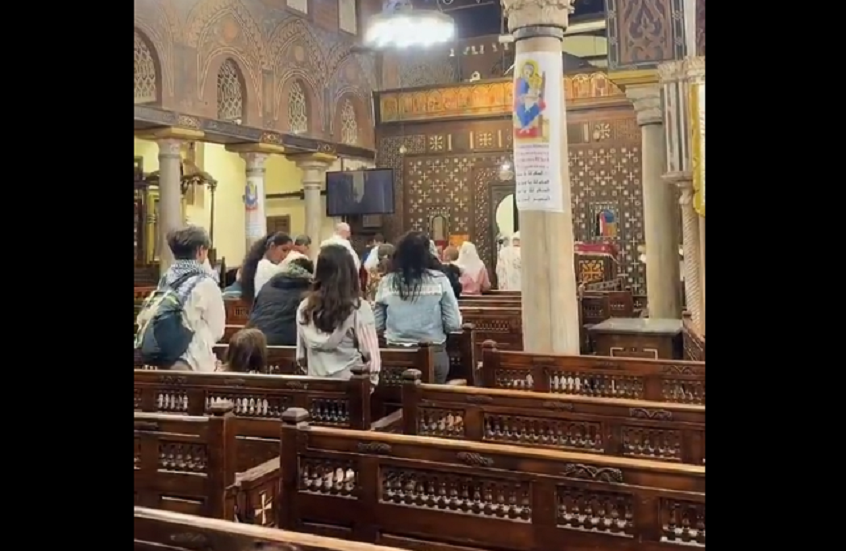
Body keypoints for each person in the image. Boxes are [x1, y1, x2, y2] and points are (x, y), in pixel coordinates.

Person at [374, 231, 462, 383]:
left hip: (395, 358)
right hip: (432, 354)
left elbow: (377, 325)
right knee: (432, 393)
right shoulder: (439, 280)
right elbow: (453, 324)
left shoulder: (387, 282)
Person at [297, 244, 381, 387]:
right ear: (350, 273)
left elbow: (301, 357)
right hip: (351, 388)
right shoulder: (359, 308)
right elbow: (373, 362)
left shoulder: (304, 308)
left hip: (315, 387)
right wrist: (368, 388)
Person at [161, 226, 226, 371]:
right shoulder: (206, 283)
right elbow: (217, 330)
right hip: (191, 362)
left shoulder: (165, 279)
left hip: (161, 357)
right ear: (200, 251)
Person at [249, 257, 315, 346]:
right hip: (290, 342)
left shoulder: (267, 286)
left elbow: (254, 311)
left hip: (259, 341)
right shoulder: (309, 291)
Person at [240, 232, 293, 304]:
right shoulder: (266, 267)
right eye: (284, 250)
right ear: (272, 246)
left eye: (288, 252)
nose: (285, 255)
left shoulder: (256, 265)